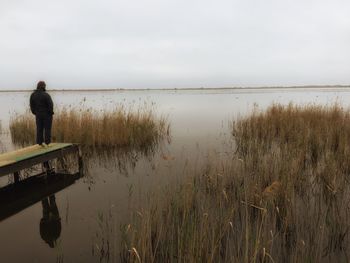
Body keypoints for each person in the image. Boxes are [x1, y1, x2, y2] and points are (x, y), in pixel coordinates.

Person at [30, 81, 54, 146]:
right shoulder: (46, 95)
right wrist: (51, 113)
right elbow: (50, 105)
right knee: (47, 129)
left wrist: (35, 113)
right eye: (45, 86)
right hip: (47, 115)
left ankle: (39, 143)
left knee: (39, 129)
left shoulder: (33, 95)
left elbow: (31, 106)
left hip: (38, 115)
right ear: (43, 86)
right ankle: (47, 143)